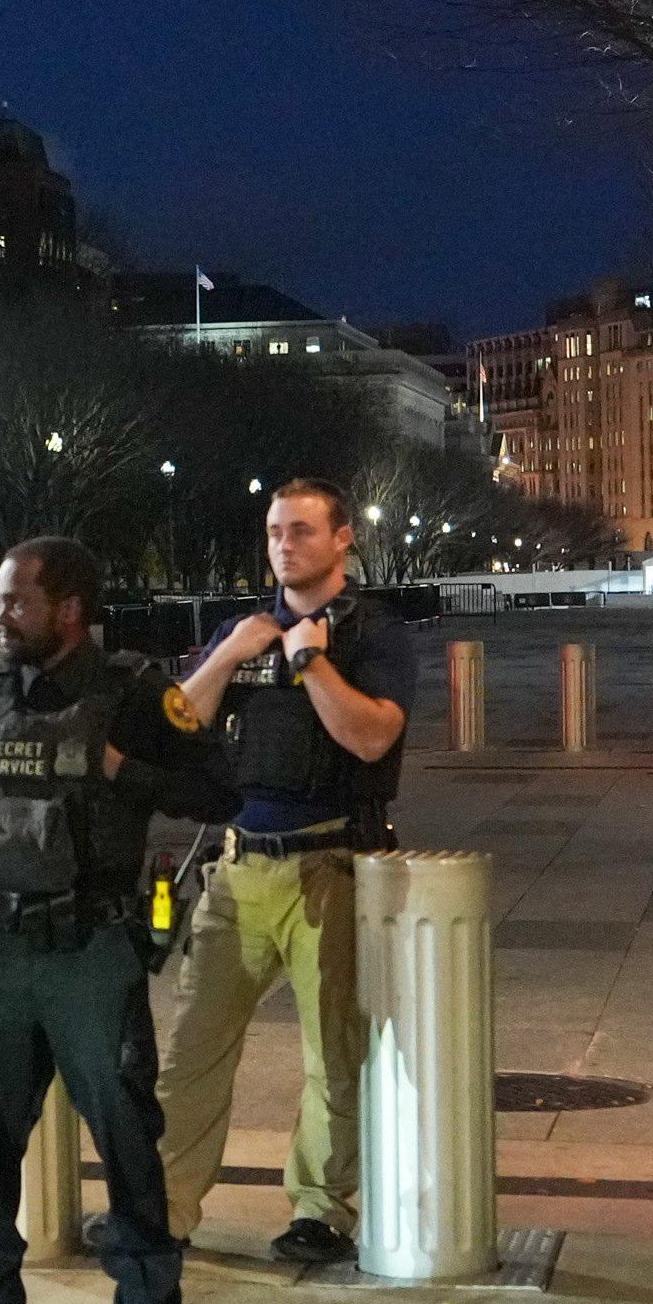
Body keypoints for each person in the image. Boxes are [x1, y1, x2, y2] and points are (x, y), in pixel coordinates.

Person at [0, 535, 234, 1304]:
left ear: (68, 608)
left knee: (129, 1144)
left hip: (92, 950)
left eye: (16, 600)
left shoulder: (133, 693)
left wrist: (123, 770)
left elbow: (216, 791)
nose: (0, 615)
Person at [152, 477, 415, 1264]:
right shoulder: (249, 630)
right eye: (274, 530)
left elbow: (372, 740)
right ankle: (161, 1206)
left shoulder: (373, 635)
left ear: (343, 540)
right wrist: (232, 651)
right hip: (237, 867)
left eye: (301, 530)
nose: (283, 544)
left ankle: (321, 1210)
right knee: (191, 1047)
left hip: (330, 865)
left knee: (334, 1054)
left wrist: (313, 665)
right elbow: (181, 724)